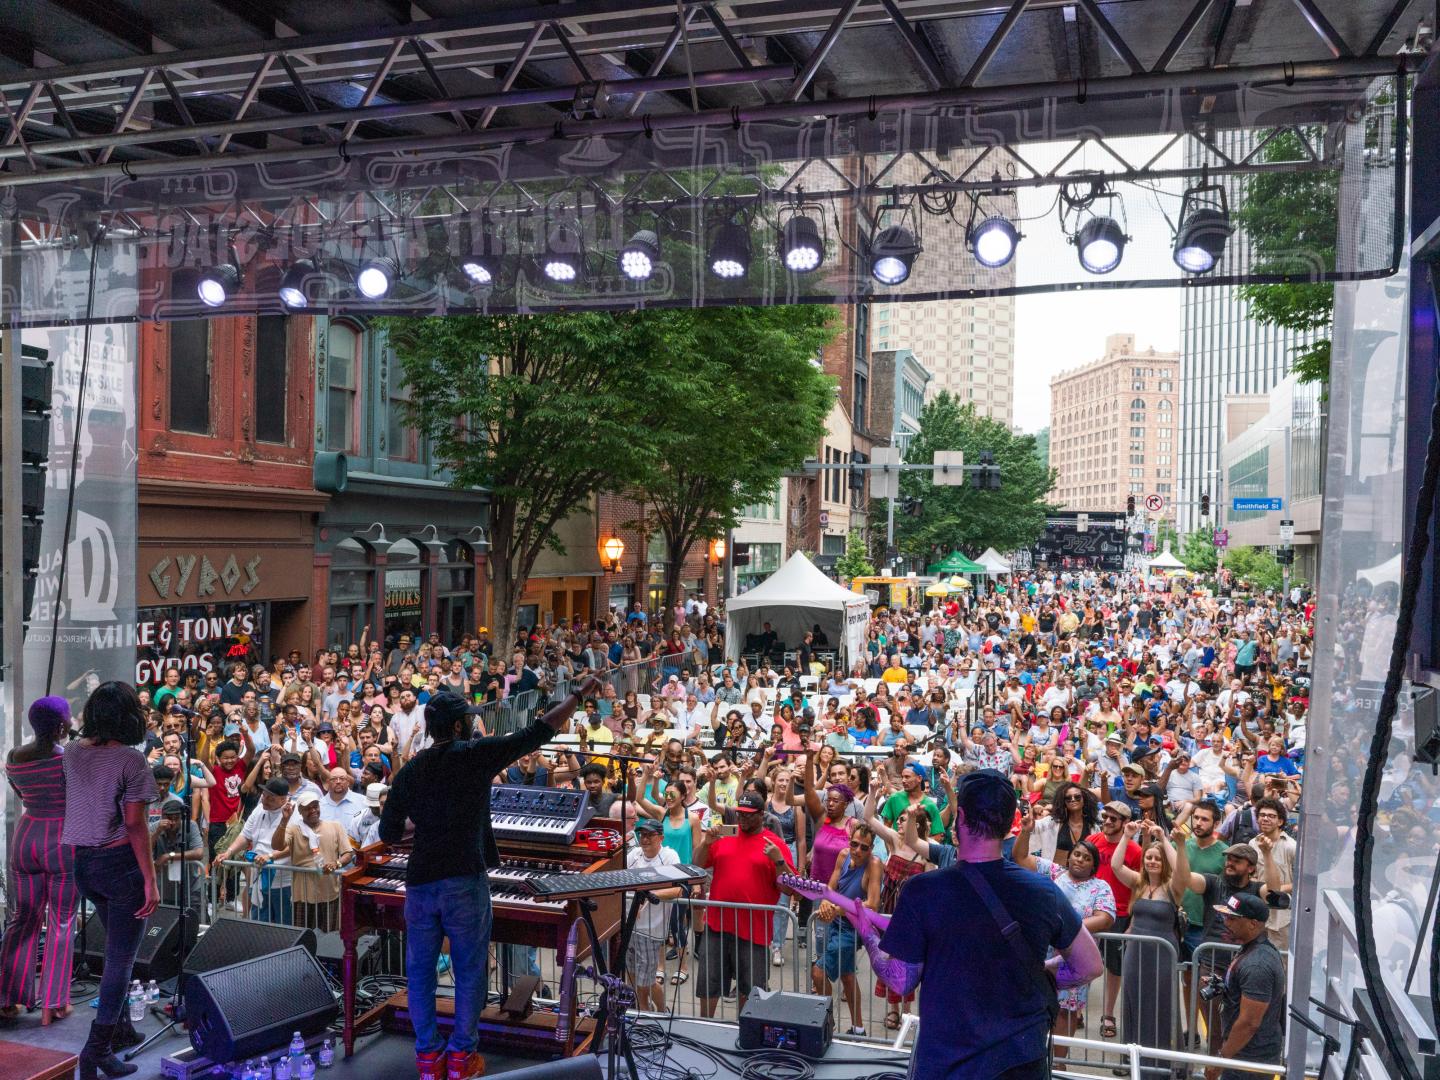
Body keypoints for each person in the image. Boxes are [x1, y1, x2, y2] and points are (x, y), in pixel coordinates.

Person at [379, 679, 600, 1080]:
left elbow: (389, 833)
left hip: (421, 882)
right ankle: (462, 1058)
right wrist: (578, 695)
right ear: (460, 727)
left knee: (421, 971)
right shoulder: (472, 755)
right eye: (469, 720)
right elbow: (537, 732)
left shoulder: (412, 769)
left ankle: (428, 1058)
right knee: (468, 970)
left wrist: (428, 826)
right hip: (463, 879)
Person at [851, 769, 1104, 1079]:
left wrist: (866, 930)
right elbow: (1089, 966)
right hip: (1020, 1063)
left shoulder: (924, 891)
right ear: (1008, 820)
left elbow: (900, 979)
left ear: (962, 817)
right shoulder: (1043, 891)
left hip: (947, 1063)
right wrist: (1048, 971)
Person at [62, 682, 160, 1080]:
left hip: (83, 864)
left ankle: (119, 1030)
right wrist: (150, 880)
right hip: (121, 865)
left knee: (117, 951)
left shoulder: (71, 752)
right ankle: (95, 1051)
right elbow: (136, 824)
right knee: (121, 958)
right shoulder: (131, 761)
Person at [0, 697, 78, 1025]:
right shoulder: (69, 759)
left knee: (23, 917)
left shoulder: (14, 757)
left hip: (27, 836)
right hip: (61, 839)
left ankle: (7, 997)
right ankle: (54, 1003)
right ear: (62, 724)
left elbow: (22, 794)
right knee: (61, 920)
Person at [693, 791, 795, 1017]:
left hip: (754, 930)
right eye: (740, 814)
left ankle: (746, 1033)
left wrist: (778, 859)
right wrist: (706, 843)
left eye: (749, 815)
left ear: (761, 815)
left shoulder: (775, 844)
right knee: (709, 982)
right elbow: (697, 865)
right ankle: (704, 1028)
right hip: (717, 925)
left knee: (751, 988)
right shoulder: (724, 837)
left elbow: (789, 888)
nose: (743, 819)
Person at [1205, 892, 1287, 1080]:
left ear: (1253, 924)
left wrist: (1221, 1060)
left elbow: (1249, 1023)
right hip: (1244, 1055)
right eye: (1225, 916)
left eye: (1232, 918)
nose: (1225, 922)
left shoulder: (1257, 964)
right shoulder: (1251, 949)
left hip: (1249, 1062)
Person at [625, 819, 685, 1012]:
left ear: (661, 837)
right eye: (642, 835)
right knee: (632, 977)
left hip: (652, 931)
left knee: (646, 982)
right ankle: (651, 1011)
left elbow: (678, 890)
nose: (645, 839)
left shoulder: (669, 856)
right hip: (629, 926)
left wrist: (649, 896)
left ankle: (656, 1013)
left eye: (650, 835)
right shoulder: (633, 855)